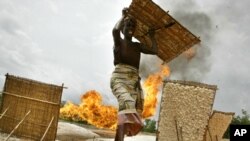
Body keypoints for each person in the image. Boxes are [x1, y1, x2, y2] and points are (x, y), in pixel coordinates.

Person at [110, 8, 158, 141]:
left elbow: (154, 50)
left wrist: (152, 37)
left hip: (133, 82)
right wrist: (123, 16)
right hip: (119, 78)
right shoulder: (119, 42)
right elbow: (114, 31)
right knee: (126, 102)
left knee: (128, 113)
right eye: (127, 25)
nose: (130, 27)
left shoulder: (137, 46)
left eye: (132, 26)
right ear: (122, 28)